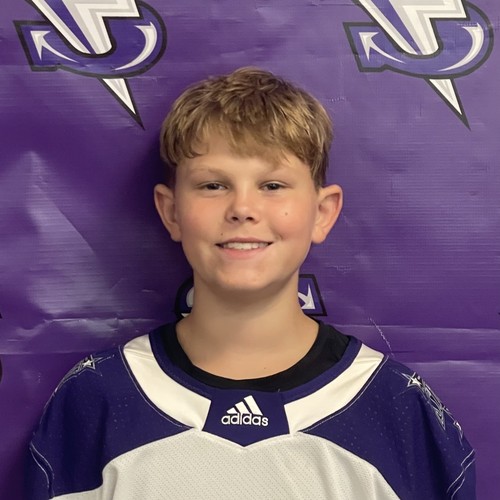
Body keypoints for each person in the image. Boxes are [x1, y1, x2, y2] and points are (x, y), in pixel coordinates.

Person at [27, 67, 475, 499]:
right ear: (171, 211)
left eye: (273, 185)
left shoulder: (397, 408)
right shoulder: (97, 399)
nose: (243, 209)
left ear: (322, 213)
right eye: (213, 186)